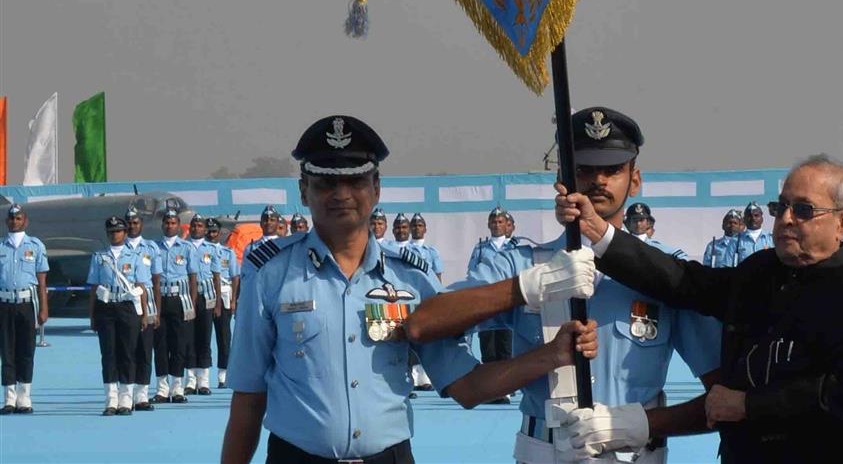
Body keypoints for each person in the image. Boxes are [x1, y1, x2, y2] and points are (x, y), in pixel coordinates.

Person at [220, 114, 599, 464]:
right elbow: (249, 398)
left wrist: (551, 355)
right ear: (304, 192)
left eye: (355, 181)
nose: (341, 195)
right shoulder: (270, 275)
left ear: (377, 188)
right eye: (326, 183)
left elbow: (465, 384)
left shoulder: (412, 281)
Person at [556, 153, 843, 463]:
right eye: (782, 207)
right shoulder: (761, 273)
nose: (787, 219)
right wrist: (600, 233)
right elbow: (683, 282)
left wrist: (747, 405)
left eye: (804, 210)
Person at [470, 107, 725, 463]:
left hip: (633, 454)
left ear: (634, 180)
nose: (598, 180)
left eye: (612, 170)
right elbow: (432, 324)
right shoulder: (522, 265)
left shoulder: (669, 276)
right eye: (584, 169)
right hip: (545, 452)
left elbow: (724, 396)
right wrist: (526, 289)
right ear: (562, 177)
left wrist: (640, 423)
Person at [86, 215, 150, 415]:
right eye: (111, 232)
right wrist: (92, 315)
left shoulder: (135, 256)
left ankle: (125, 399)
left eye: (119, 231)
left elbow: (142, 287)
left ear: (125, 233)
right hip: (105, 307)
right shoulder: (99, 257)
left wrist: (144, 314)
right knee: (108, 353)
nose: (115, 235)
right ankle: (111, 400)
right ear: (107, 234)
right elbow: (94, 287)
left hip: (127, 307)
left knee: (128, 353)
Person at [0, 204, 49, 414]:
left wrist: (44, 308)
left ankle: (24, 397)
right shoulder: (1, 246)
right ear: (6, 222)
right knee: (7, 351)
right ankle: (9, 399)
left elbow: (42, 280)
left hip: (27, 304)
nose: (14, 222)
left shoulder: (36, 246)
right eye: (11, 218)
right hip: (4, 303)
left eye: (18, 218)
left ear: (25, 221)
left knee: (26, 350)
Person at [466, 207, 522, 368]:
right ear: (489, 225)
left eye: (500, 222)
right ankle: (489, 386)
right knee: (487, 343)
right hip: (486, 300)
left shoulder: (514, 247)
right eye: (493, 222)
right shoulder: (481, 248)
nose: (496, 225)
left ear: (507, 225)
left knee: (506, 342)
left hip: (508, 299)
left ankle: (506, 386)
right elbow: (472, 272)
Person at [154, 208, 198, 404]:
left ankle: (177, 388)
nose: (169, 225)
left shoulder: (187, 248)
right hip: (160, 299)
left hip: (181, 299)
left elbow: (193, 277)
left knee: (179, 344)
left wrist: (193, 305)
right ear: (162, 225)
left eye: (173, 222)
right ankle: (162, 389)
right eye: (166, 222)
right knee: (161, 345)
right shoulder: (154, 247)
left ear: (179, 225)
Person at [123, 207, 162, 410]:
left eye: (135, 222)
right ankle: (126, 395)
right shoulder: (119, 248)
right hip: (126, 303)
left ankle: (142, 396)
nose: (132, 226)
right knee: (128, 350)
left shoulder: (151, 248)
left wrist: (157, 312)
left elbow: (156, 283)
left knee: (146, 351)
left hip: (147, 302)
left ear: (141, 225)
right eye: (129, 223)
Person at [184, 214, 223, 395]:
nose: (196, 229)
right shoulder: (183, 246)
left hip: (206, 296)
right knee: (189, 339)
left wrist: (217, 304)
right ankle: (190, 381)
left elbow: (216, 277)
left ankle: (204, 381)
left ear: (204, 229)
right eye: (194, 225)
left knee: (205, 338)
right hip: (187, 297)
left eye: (200, 226)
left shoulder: (211, 249)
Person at [206, 219, 239, 388]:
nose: (211, 235)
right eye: (209, 231)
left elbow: (235, 276)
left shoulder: (228, 252)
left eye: (214, 232)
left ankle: (223, 374)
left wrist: (233, 300)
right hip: (205, 295)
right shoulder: (199, 251)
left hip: (224, 296)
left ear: (219, 234)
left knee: (224, 337)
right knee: (203, 336)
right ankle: (200, 377)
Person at [405, 213, 444, 282]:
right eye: (414, 226)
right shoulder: (404, 249)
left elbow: (438, 276)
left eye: (420, 225)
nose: (417, 228)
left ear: (425, 229)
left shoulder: (432, 252)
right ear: (410, 230)